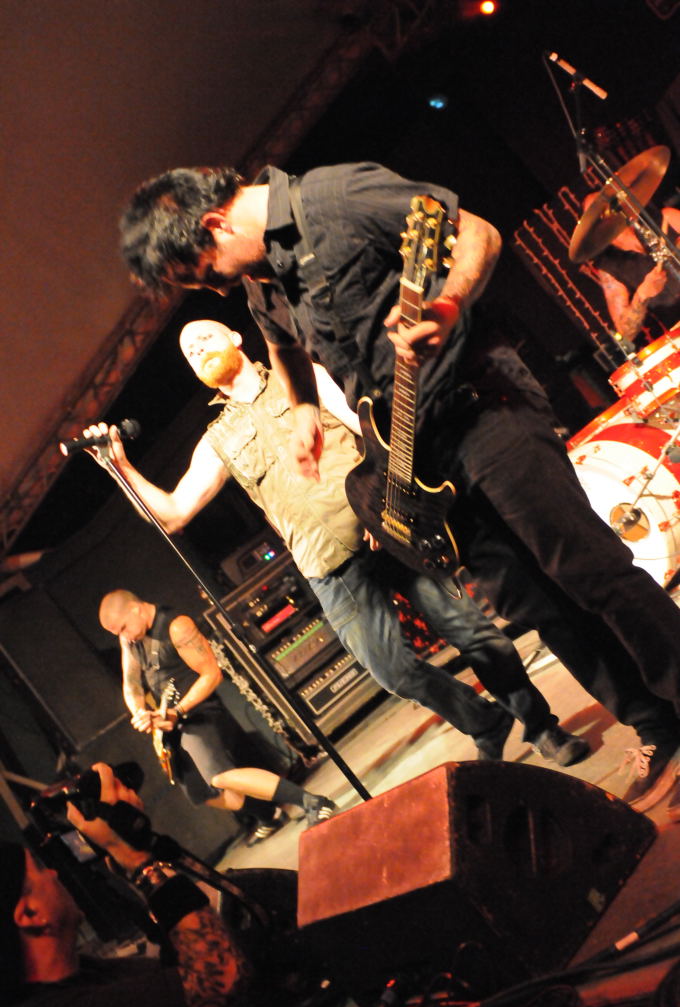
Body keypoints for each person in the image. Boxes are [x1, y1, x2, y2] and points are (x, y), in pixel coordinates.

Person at [117, 162, 680, 816]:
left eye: (204, 272)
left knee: (587, 571)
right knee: (535, 606)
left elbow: (478, 234)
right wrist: (302, 410)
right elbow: (285, 349)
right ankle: (655, 727)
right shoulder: (263, 283)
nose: (214, 288)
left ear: (215, 225)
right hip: (418, 453)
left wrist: (448, 302)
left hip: (481, 406)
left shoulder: (336, 197)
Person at [87, 320, 589, 768]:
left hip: (384, 527)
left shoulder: (300, 379)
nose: (197, 349)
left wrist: (384, 498)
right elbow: (173, 512)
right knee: (393, 672)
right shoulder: (218, 439)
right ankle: (484, 721)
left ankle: (541, 726)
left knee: (473, 633)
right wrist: (119, 466)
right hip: (326, 566)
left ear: (236, 338)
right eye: (189, 352)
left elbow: (371, 431)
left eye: (204, 338)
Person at [0, 762, 246, 1007]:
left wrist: (130, 866)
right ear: (30, 913)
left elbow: (174, 976)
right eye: (39, 869)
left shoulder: (83, 975)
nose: (53, 873)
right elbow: (221, 979)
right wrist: (137, 860)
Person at [98, 590, 336, 843]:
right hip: (172, 722)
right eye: (117, 633)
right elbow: (131, 683)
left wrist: (179, 711)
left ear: (135, 608)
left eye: (123, 628)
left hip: (200, 712)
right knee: (199, 792)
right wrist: (140, 712)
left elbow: (212, 674)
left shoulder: (176, 626)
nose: (124, 636)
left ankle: (313, 802)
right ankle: (269, 815)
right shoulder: (130, 641)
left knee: (218, 776)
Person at [584, 195, 680, 350]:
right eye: (596, 215)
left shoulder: (665, 218)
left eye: (608, 205)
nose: (607, 214)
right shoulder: (610, 266)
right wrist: (642, 295)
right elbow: (626, 332)